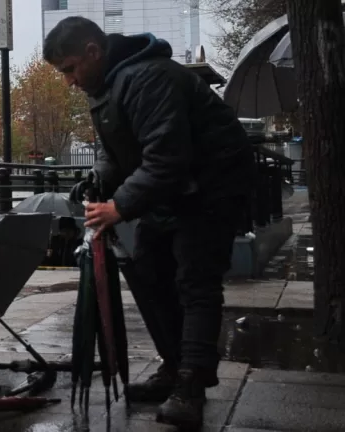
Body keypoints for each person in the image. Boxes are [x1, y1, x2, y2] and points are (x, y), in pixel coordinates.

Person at [44, 17, 255, 429]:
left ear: (93, 52)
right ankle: (175, 367)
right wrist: (99, 180)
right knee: (147, 269)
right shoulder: (106, 86)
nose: (68, 81)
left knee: (195, 280)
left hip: (212, 185)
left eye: (70, 69)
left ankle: (190, 387)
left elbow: (166, 157)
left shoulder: (148, 78)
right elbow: (118, 152)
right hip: (173, 188)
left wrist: (118, 206)